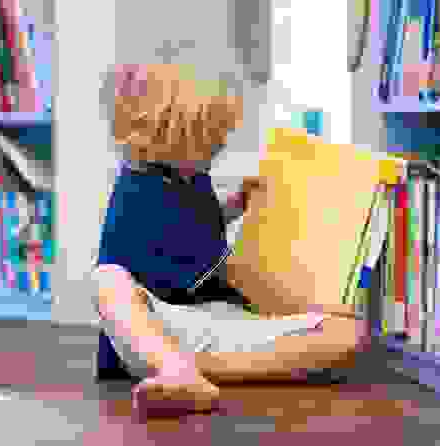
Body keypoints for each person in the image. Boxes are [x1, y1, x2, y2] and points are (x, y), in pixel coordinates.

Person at [94, 46, 369, 414]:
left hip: (214, 327)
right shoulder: (138, 190)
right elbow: (214, 263)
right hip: (157, 329)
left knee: (349, 332)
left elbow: (192, 227)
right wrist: (304, 303)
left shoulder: (187, 175)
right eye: (212, 139)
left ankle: (191, 372)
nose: (220, 146)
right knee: (108, 280)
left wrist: (231, 208)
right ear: (174, 135)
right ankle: (176, 367)